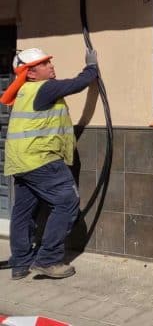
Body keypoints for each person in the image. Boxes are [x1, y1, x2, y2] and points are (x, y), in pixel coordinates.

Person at [1, 47, 99, 279]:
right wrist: (92, 67)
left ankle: (21, 262)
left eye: (49, 62)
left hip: (21, 160)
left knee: (23, 211)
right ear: (31, 73)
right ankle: (48, 260)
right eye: (44, 64)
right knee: (67, 201)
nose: (51, 66)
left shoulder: (25, 91)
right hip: (40, 159)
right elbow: (77, 84)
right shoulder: (44, 88)